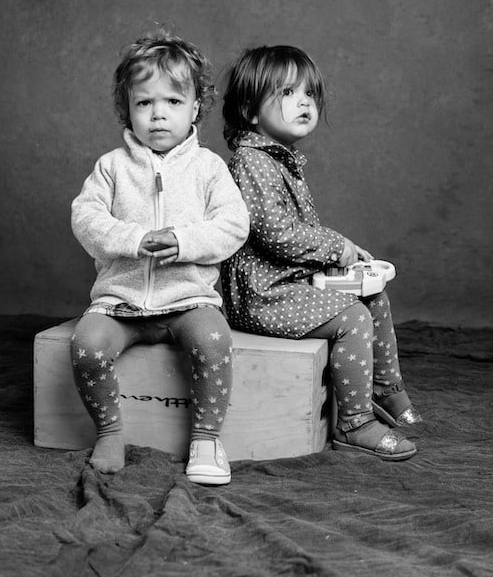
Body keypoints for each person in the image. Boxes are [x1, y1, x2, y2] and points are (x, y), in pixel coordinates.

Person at [221, 45, 422, 461]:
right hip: (263, 297)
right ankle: (355, 421)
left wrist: (340, 258)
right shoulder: (251, 162)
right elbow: (277, 235)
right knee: (353, 319)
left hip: (287, 285)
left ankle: (386, 388)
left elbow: (298, 234)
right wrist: (338, 247)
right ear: (250, 110)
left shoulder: (280, 161)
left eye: (309, 94)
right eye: (288, 93)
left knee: (372, 294)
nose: (304, 102)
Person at [71, 29, 249, 485]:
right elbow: (85, 219)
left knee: (213, 343)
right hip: (121, 302)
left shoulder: (209, 168)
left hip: (188, 300)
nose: (158, 115)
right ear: (126, 109)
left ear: (194, 108)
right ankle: (109, 430)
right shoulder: (112, 167)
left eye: (172, 101)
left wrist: (185, 241)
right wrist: (132, 238)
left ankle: (207, 438)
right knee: (87, 347)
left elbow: (233, 226)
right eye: (144, 103)